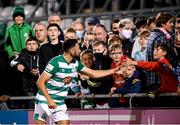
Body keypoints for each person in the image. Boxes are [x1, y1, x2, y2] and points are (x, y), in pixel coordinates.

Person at [33, 39, 120, 124]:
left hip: (59, 101)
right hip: (45, 99)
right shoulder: (56, 62)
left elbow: (93, 73)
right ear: (71, 50)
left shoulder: (76, 64)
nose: (79, 51)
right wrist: (49, 100)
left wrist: (114, 70)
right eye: (78, 48)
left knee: (65, 123)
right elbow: (39, 82)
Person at [10, 37, 39, 108]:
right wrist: (18, 65)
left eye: (33, 44)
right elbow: (12, 63)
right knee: (31, 106)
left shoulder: (41, 53)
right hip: (27, 86)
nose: (32, 46)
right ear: (26, 46)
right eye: (29, 44)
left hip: (40, 85)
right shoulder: (23, 54)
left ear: (37, 45)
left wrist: (39, 71)